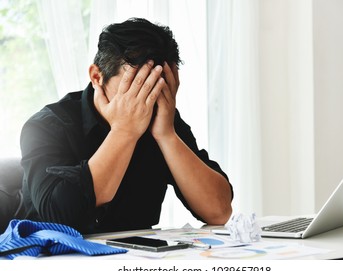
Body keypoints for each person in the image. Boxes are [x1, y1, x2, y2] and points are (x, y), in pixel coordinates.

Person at [20, 18, 233, 234]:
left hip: (136, 261)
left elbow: (218, 211)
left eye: (158, 86)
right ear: (97, 76)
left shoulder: (163, 119)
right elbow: (60, 216)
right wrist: (124, 132)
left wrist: (167, 135)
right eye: (137, 85)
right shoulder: (46, 126)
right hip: (55, 257)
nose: (146, 99)